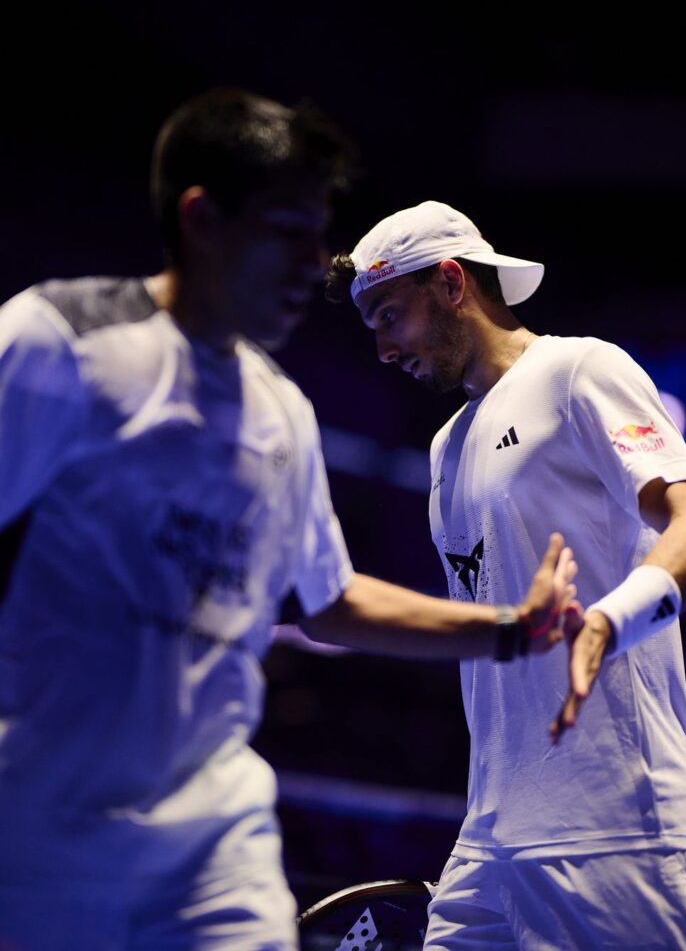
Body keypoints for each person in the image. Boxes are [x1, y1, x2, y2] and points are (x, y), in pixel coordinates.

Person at [0, 96, 579, 951]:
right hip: (41, 819)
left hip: (214, 844)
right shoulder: (58, 343)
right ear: (202, 219)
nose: (313, 266)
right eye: (288, 231)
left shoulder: (283, 414)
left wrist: (509, 628)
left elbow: (328, 599)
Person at [326, 199, 686, 950]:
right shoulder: (447, 447)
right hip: (490, 839)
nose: (383, 349)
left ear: (452, 283)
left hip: (618, 832)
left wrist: (611, 620)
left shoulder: (581, 369)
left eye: (389, 315)